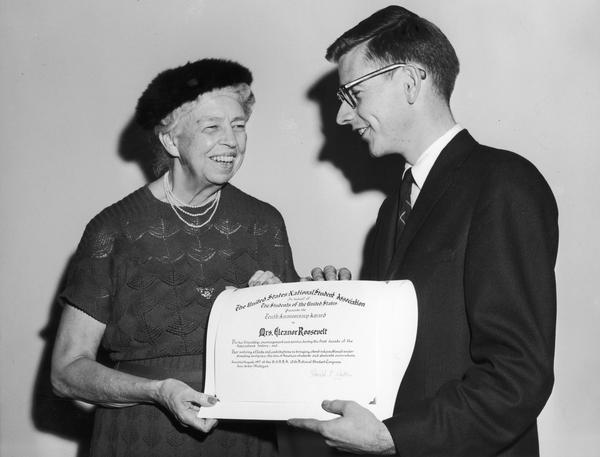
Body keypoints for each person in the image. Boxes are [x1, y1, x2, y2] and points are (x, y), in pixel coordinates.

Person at [290, 6, 558, 457]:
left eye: (353, 93)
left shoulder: (504, 183)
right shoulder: (392, 209)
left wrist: (394, 438)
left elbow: (518, 376)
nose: (340, 116)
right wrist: (342, 316)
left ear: (411, 82)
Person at [51, 58, 298, 457]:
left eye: (239, 126)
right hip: (141, 434)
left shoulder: (264, 223)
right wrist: (157, 392)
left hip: (243, 439)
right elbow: (67, 372)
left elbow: (289, 358)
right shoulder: (115, 229)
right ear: (170, 141)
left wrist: (280, 309)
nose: (231, 142)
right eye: (212, 127)